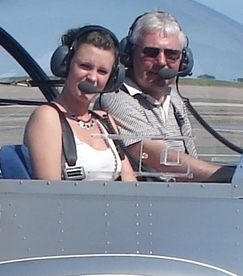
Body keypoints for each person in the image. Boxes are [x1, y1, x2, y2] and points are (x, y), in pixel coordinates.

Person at [98, 11, 230, 182]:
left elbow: (190, 160)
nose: (161, 62)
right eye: (151, 52)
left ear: (183, 60)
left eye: (172, 54)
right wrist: (227, 175)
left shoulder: (174, 99)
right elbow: (157, 156)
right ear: (129, 55)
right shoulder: (115, 98)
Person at [24, 25, 137, 181]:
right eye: (84, 66)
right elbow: (50, 194)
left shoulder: (104, 120)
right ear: (66, 65)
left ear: (113, 78)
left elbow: (130, 184)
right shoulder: (48, 117)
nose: (92, 77)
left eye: (102, 71)